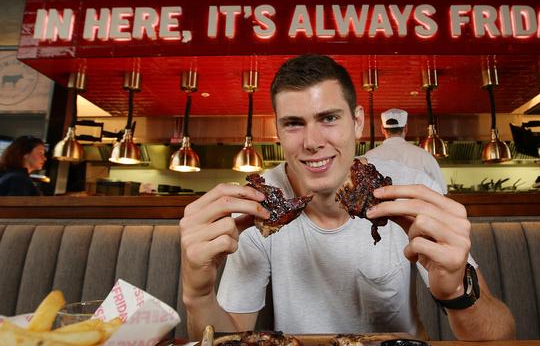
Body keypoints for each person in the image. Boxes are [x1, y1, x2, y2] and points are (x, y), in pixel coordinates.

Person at [180, 55, 515, 341]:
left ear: (357, 122)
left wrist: (456, 293)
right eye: (294, 124)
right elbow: (232, 339)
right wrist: (197, 295)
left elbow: (502, 335)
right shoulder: (256, 207)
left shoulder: (408, 190)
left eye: (328, 118)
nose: (312, 141)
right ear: (279, 133)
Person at [365, 108, 447, 194]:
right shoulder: (424, 155)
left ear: (382, 129)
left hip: (381, 207)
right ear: (406, 128)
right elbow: (442, 191)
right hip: (417, 207)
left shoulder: (369, 156)